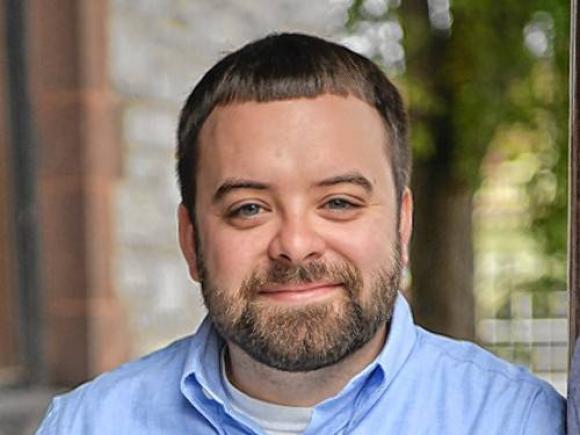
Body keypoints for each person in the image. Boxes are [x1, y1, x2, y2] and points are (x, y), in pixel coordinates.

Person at [36, 32, 565, 435]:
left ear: (402, 224)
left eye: (338, 202)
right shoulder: (87, 425)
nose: (294, 244)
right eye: (248, 209)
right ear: (191, 239)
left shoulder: (511, 420)